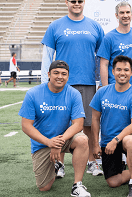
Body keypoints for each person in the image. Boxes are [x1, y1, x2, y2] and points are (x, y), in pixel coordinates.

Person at [41, 0, 105, 176]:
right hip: (61, 84)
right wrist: (46, 82)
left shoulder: (95, 26)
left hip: (87, 82)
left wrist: (102, 81)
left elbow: (103, 57)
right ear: (66, 2)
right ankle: (58, 164)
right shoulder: (55, 26)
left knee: (89, 124)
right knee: (60, 124)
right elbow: (47, 55)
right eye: (73, 1)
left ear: (84, 2)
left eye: (80, 1)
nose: (76, 4)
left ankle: (92, 162)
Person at [19, 60, 91, 196]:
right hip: (43, 143)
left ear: (68, 77)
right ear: (48, 74)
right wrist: (49, 142)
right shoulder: (33, 94)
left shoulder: (74, 94)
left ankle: (77, 185)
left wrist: (59, 142)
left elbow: (78, 124)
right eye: (56, 73)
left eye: (64, 74)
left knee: (82, 139)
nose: (60, 76)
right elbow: (26, 126)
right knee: (44, 187)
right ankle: (56, 166)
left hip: (65, 138)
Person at [90, 55, 132, 197]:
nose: (122, 73)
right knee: (113, 182)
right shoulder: (102, 92)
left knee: (131, 140)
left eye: (126, 70)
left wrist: (116, 140)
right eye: (119, 69)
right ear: (113, 71)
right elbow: (95, 119)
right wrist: (95, 145)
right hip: (107, 142)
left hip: (123, 139)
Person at [97, 1, 132, 164]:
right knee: (115, 125)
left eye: (128, 12)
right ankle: (114, 157)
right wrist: (105, 88)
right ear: (116, 15)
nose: (125, 15)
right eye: (122, 13)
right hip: (115, 89)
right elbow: (104, 63)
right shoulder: (109, 37)